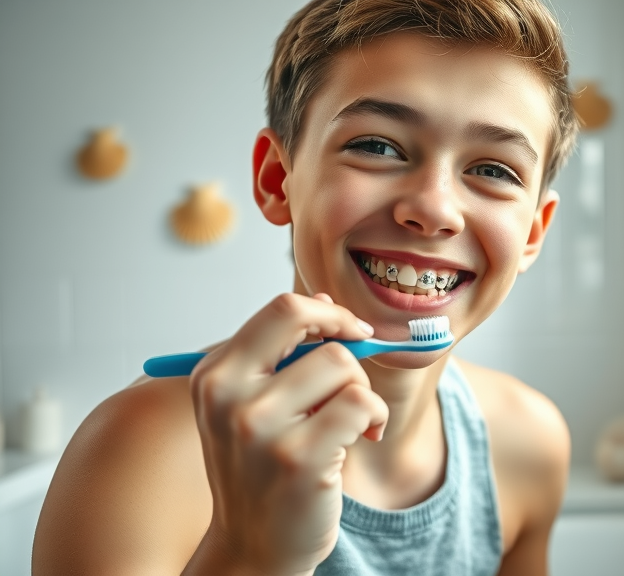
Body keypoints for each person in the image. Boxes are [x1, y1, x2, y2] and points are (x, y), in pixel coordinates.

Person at [31, 0, 579, 574]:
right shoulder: (139, 452)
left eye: (493, 170)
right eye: (377, 146)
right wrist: (251, 552)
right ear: (276, 180)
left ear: (534, 233)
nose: (435, 209)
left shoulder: (528, 442)